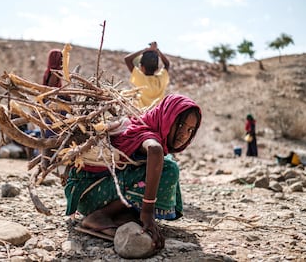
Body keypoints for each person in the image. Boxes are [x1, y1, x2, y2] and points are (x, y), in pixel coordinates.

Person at [64, 94, 202, 250]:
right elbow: (155, 149)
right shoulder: (146, 132)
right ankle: (99, 217)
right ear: (167, 117)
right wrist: (148, 212)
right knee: (169, 169)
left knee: (165, 163)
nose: (184, 134)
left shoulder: (143, 123)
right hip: (92, 194)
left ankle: (125, 215)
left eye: (190, 130)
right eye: (181, 125)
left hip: (91, 193)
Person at [124, 42, 170, 108]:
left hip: (141, 116)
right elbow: (167, 64)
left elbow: (127, 59)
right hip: (157, 116)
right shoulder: (161, 79)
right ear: (157, 68)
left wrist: (145, 50)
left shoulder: (140, 78)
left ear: (142, 67)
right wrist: (157, 51)